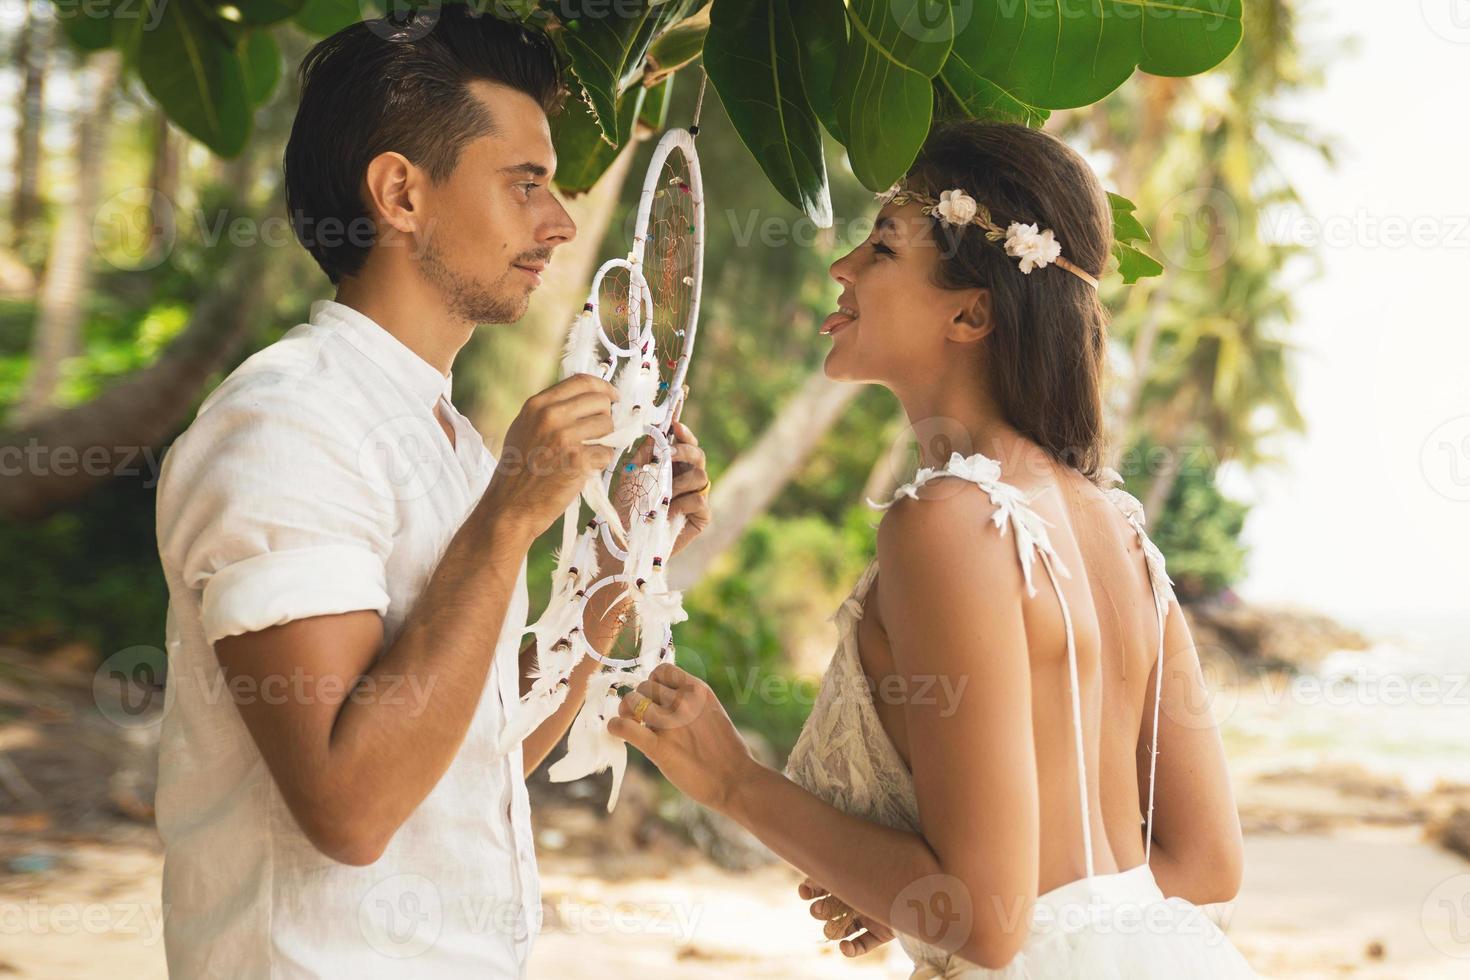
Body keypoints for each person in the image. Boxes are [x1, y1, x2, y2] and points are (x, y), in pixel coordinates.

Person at [608, 120, 1258, 976]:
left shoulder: (946, 522)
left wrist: (735, 780)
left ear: (971, 311)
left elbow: (988, 923)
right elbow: (1206, 866)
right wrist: (907, 893)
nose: (841, 269)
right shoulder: (1119, 530)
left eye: (880, 248)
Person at [153, 10, 710, 977]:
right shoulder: (286, 425)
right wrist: (508, 518)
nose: (561, 221)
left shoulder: (441, 434)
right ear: (401, 194)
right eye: (525, 182)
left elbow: (478, 755)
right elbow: (351, 805)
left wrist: (622, 559)